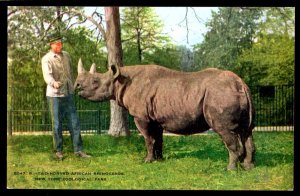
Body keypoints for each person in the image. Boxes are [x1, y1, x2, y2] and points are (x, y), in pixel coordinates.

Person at [41, 33, 91, 160]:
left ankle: (79, 150)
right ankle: (58, 151)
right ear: (51, 45)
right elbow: (47, 75)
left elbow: (70, 73)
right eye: (57, 44)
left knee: (74, 122)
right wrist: (53, 83)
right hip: (54, 96)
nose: (60, 46)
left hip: (68, 94)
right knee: (57, 124)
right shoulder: (47, 59)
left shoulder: (67, 55)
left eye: (61, 43)